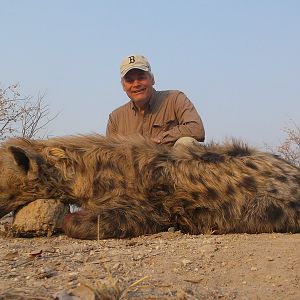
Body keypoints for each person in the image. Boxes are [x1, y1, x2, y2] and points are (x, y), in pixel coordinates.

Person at [106, 54, 205, 147]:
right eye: (130, 80)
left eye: (141, 78)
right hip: (131, 165)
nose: (136, 84)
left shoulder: (175, 99)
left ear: (152, 79)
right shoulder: (115, 118)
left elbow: (196, 129)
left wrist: (161, 139)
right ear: (123, 86)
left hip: (170, 163)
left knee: (186, 142)